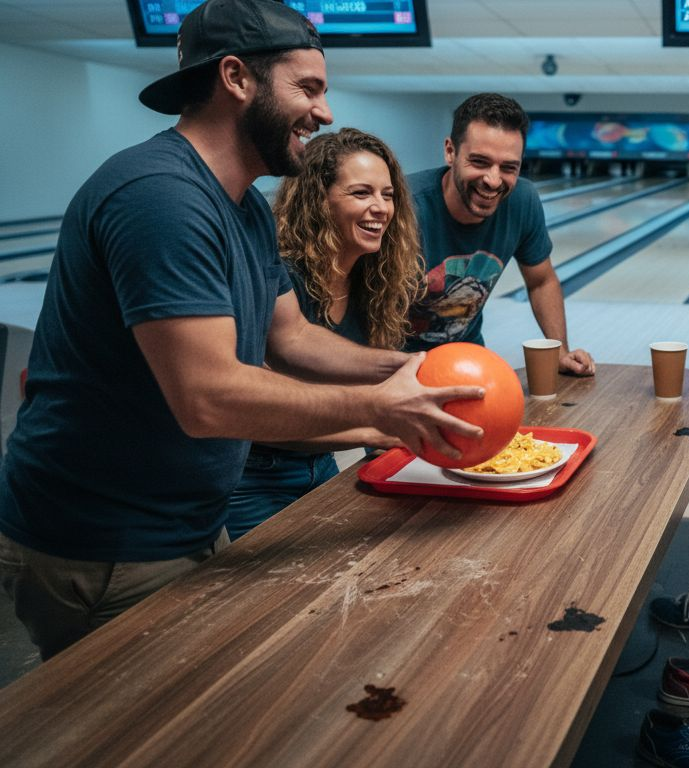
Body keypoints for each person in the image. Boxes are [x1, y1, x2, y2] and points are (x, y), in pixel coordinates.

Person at [0, 0, 483, 660]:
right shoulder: (161, 197)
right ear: (236, 78)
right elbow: (208, 397)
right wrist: (380, 411)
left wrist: (405, 370)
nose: (324, 112)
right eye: (308, 88)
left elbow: (292, 338)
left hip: (187, 520)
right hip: (101, 542)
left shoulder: (245, 209)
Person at [226, 128, 422, 539]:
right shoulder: (284, 279)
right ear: (319, 199)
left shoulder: (374, 282)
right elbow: (263, 416)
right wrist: (376, 428)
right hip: (254, 478)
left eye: (388, 195)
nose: (380, 207)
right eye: (361, 193)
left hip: (322, 463)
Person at [406, 93, 596, 376]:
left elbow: (541, 281)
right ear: (450, 151)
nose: (493, 180)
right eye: (480, 162)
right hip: (393, 365)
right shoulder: (403, 209)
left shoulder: (522, 201)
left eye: (508, 167)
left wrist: (559, 351)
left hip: (466, 359)